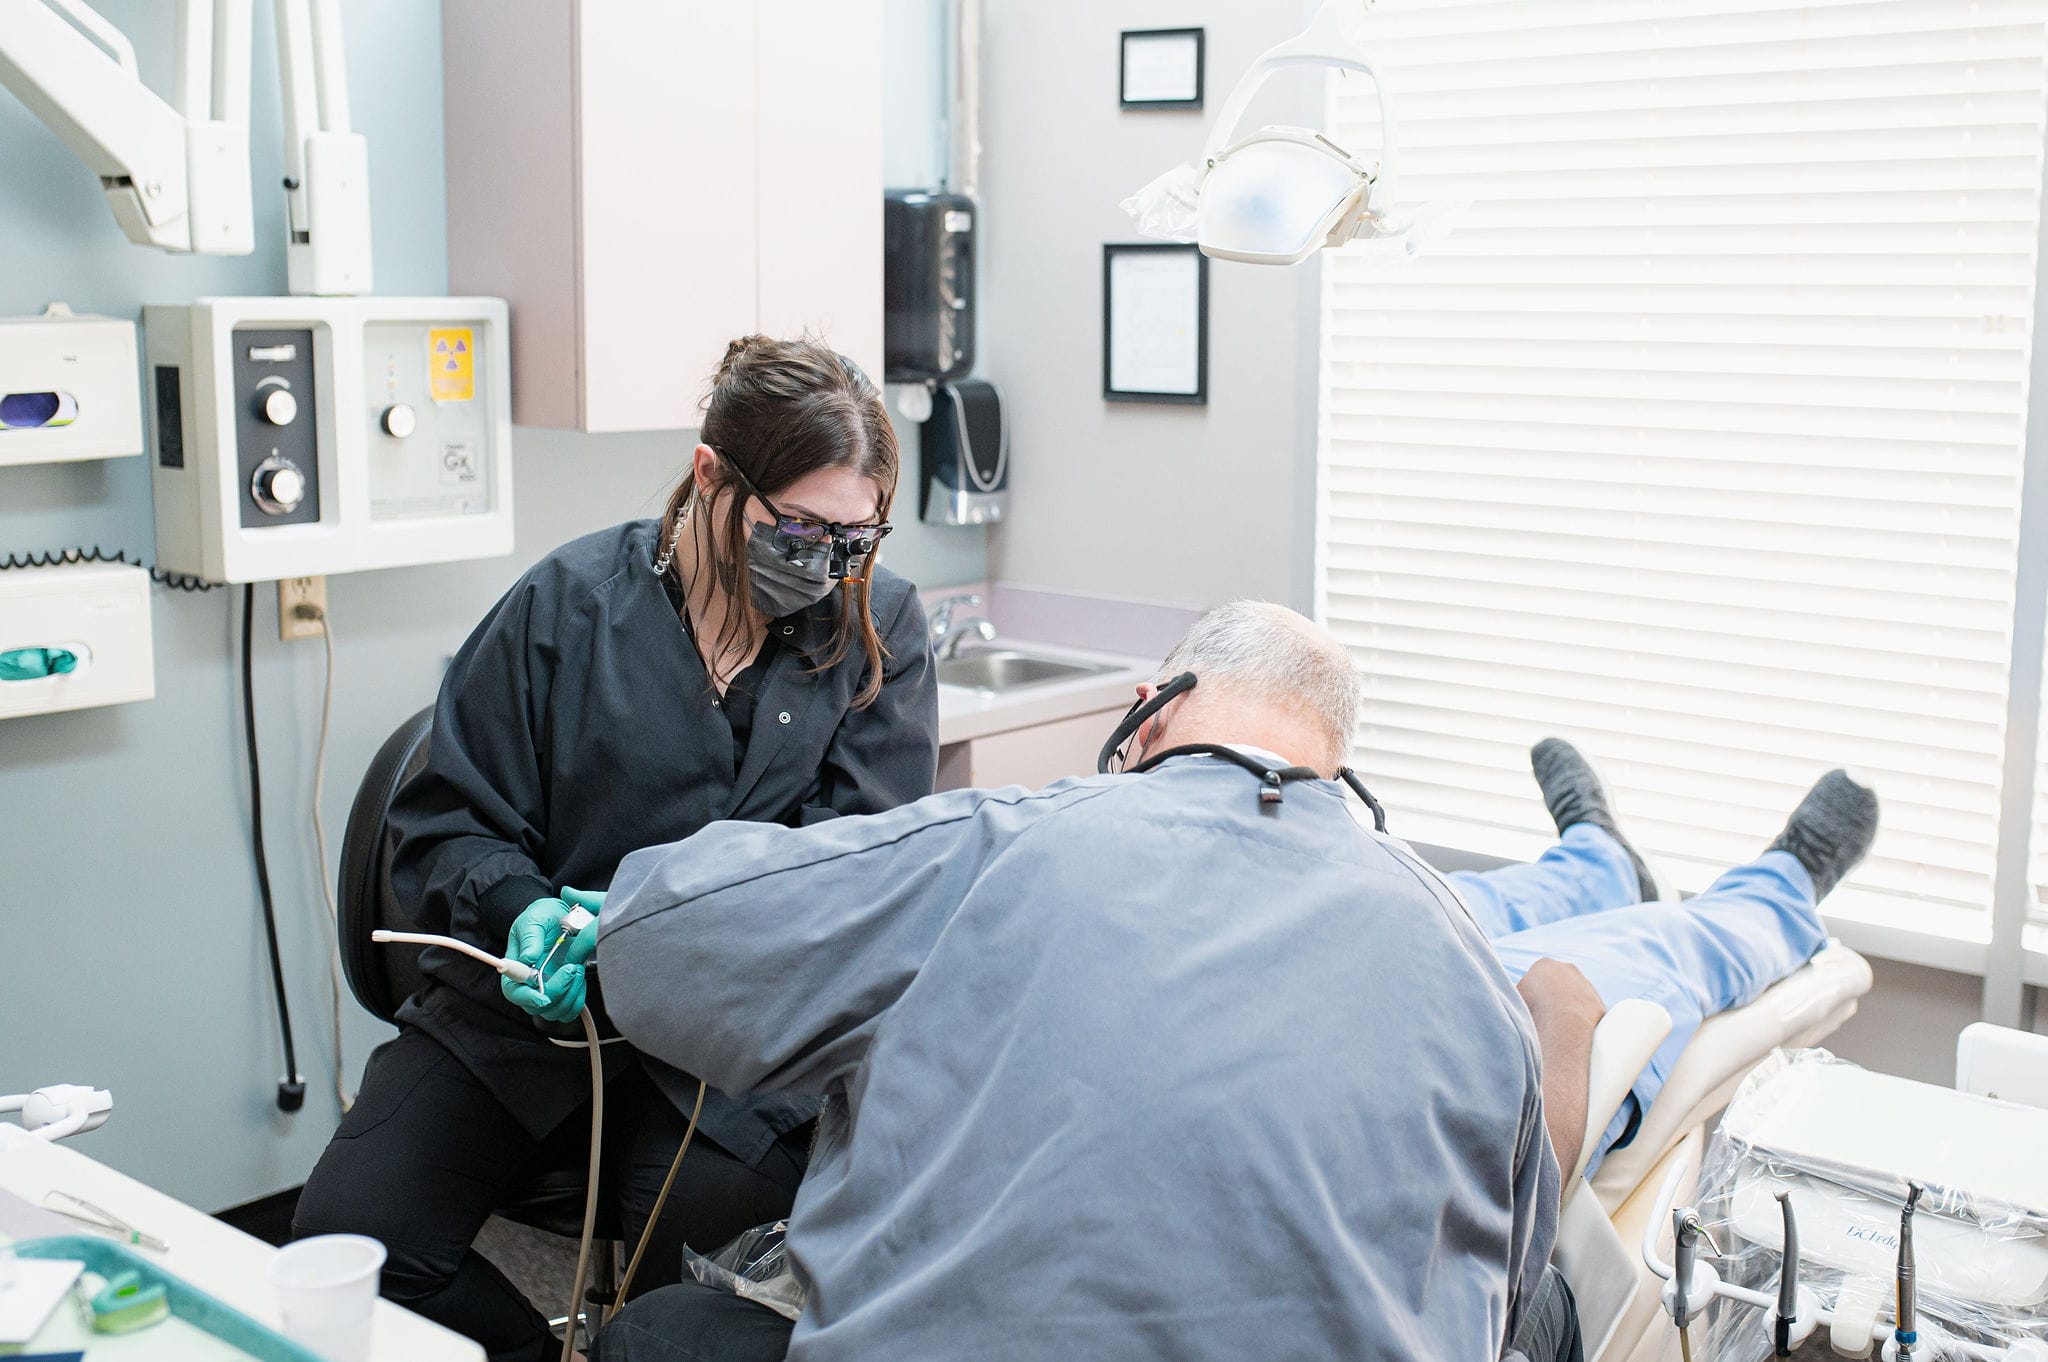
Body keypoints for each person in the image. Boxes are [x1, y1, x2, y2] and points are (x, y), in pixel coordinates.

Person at [581, 601, 1879, 1362]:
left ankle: (1613, 857)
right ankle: (1713, 882)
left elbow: (648, 939)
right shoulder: (1426, 930)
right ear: (1343, 766)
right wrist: (1555, 1035)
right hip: (1405, 917)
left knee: (1531, 941)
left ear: (1149, 709)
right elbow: (1515, 1266)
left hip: (1363, 890)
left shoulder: (1003, 842)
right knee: (1609, 958)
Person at [290, 335, 942, 1362]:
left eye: (852, 539)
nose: (825, 565)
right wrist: (524, 912)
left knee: (693, 1311)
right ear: (709, 476)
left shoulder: (876, 631)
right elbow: (447, 821)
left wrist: (687, 932)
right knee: (350, 1248)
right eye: (799, 528)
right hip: (524, 1015)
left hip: (730, 1047)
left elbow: (862, 879)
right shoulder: (565, 606)